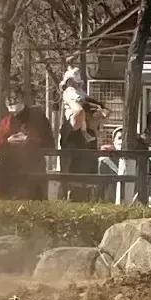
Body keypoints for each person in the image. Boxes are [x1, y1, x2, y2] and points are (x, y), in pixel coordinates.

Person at [0, 87, 54, 200]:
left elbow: (49, 143)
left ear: (23, 99)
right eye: (8, 99)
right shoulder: (4, 122)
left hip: (33, 173)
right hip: (8, 174)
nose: (11, 101)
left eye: (15, 98)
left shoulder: (38, 118)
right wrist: (7, 142)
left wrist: (29, 140)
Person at [59, 66, 106, 201]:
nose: (76, 84)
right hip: (74, 128)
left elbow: (103, 109)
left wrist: (97, 111)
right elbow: (78, 107)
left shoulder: (82, 93)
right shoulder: (69, 92)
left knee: (87, 174)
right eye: (73, 81)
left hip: (86, 138)